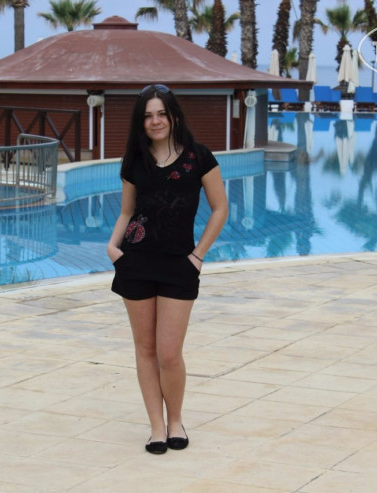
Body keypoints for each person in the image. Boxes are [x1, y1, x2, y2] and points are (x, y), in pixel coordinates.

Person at [107, 84, 228, 454]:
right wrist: (113, 247)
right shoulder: (134, 161)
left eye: (161, 113)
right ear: (141, 122)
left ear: (174, 115)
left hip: (179, 265)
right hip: (135, 263)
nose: (155, 121)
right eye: (148, 116)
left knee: (169, 352)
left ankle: (176, 420)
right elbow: (127, 212)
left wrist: (198, 255)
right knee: (145, 349)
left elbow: (220, 209)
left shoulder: (199, 157)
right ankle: (157, 427)